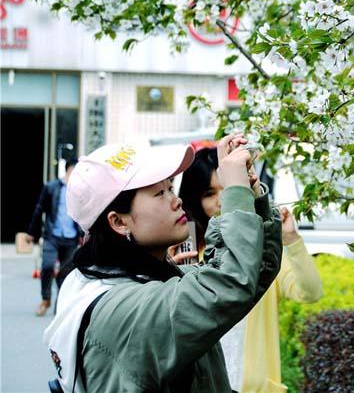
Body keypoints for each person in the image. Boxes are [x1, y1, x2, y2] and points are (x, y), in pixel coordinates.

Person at [44, 134, 282, 392]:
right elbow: (230, 284)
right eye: (159, 193)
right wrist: (235, 191)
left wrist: (250, 193)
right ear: (119, 222)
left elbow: (254, 270)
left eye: (170, 187)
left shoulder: (141, 278)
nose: (176, 200)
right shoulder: (122, 308)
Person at [178, 147, 323, 393]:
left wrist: (291, 240)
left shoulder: (262, 251)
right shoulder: (188, 256)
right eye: (209, 193)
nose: (222, 200)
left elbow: (310, 292)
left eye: (228, 187)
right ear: (195, 199)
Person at [25, 158, 83, 316]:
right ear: (68, 170)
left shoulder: (80, 191)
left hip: (71, 238)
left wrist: (84, 235)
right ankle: (46, 299)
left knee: (66, 272)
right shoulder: (51, 187)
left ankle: (60, 303)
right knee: (47, 266)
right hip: (52, 235)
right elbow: (39, 210)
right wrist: (32, 232)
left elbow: (84, 214)